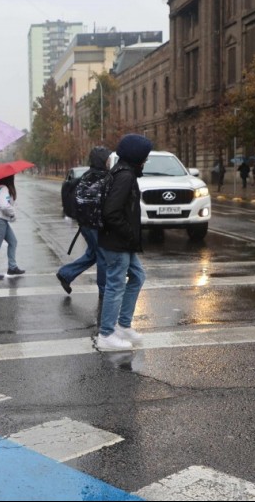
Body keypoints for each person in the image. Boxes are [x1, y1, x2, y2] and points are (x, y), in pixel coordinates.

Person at [96, 134, 151, 351]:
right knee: (116, 285)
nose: (146, 161)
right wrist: (129, 233)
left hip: (122, 242)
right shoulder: (125, 176)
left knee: (138, 276)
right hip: (118, 242)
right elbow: (111, 212)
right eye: (144, 156)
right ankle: (107, 334)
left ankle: (123, 325)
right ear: (136, 156)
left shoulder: (123, 172)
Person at [56, 146, 110, 298]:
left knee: (93, 254)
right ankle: (104, 291)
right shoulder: (98, 178)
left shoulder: (88, 175)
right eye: (107, 159)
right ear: (101, 160)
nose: (109, 162)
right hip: (93, 225)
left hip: (87, 224)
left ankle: (66, 274)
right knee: (102, 257)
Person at [0, 174, 24, 281]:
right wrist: (13, 213)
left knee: (13, 242)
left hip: (0, 220)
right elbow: (4, 206)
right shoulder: (3, 188)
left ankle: (12, 267)